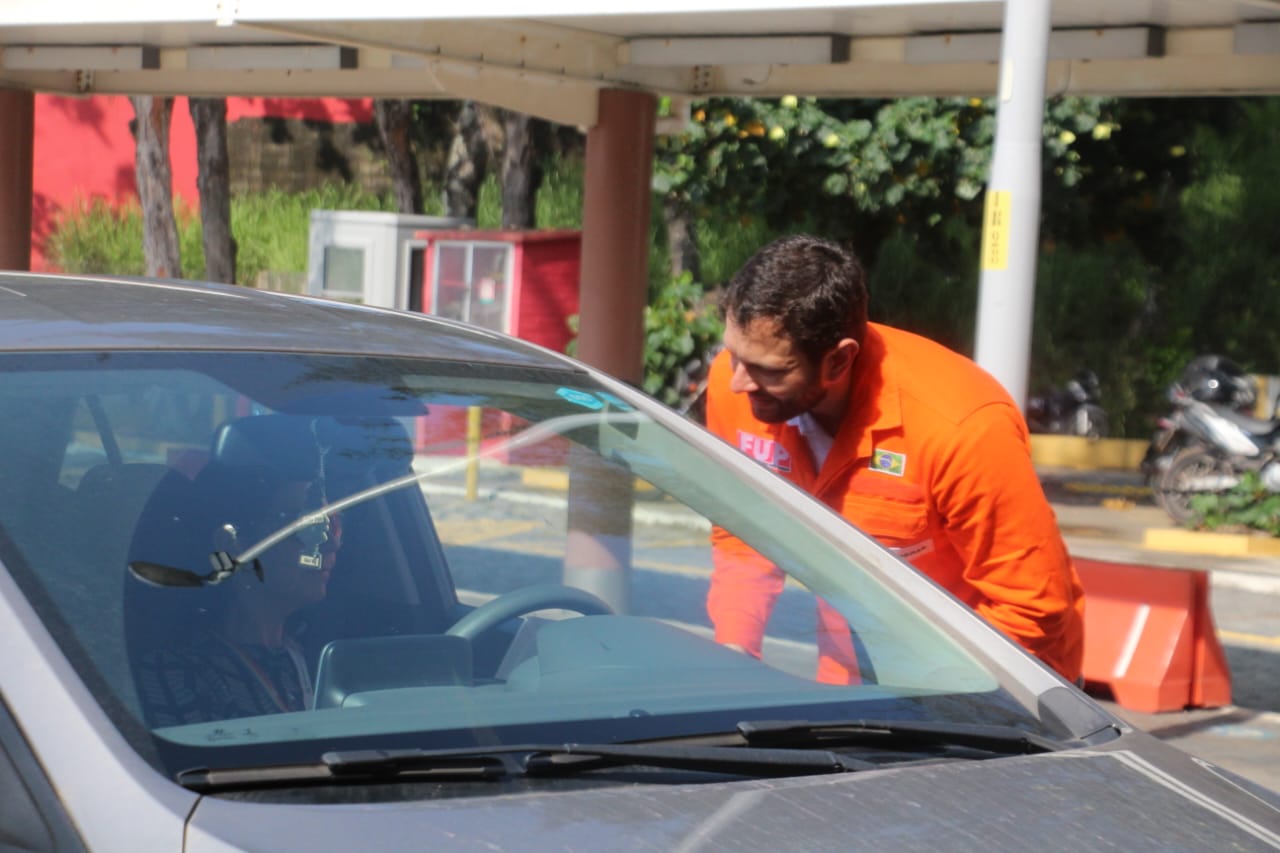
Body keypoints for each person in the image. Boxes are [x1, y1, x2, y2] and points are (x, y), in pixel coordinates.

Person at [703, 234, 1085, 684]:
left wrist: (923, 699)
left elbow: (1030, 607)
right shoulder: (739, 386)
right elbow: (744, 532)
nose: (738, 382)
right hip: (854, 665)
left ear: (839, 361)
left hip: (1002, 677)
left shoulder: (962, 427)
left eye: (769, 370)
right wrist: (735, 647)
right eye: (733, 355)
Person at [132, 452, 341, 727]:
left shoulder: (326, 660)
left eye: (334, 524)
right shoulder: (177, 673)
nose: (330, 544)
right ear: (234, 545)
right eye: (307, 526)